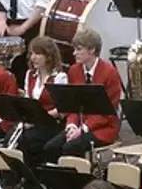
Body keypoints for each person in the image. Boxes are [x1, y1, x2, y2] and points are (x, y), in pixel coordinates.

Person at [44, 27, 122, 162]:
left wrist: (83, 129)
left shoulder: (110, 73)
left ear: (92, 50)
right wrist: (72, 125)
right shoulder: (74, 71)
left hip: (102, 128)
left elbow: (107, 112)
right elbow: (72, 105)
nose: (74, 53)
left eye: (79, 49)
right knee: (50, 147)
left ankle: (77, 181)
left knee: (70, 148)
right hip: (79, 124)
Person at [17, 35, 68, 163]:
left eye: (38, 53)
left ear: (48, 56)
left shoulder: (59, 78)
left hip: (52, 123)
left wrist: (40, 118)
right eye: (31, 53)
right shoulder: (30, 75)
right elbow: (27, 101)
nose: (33, 57)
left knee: (28, 140)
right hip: (33, 123)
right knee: (13, 136)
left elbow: (62, 110)